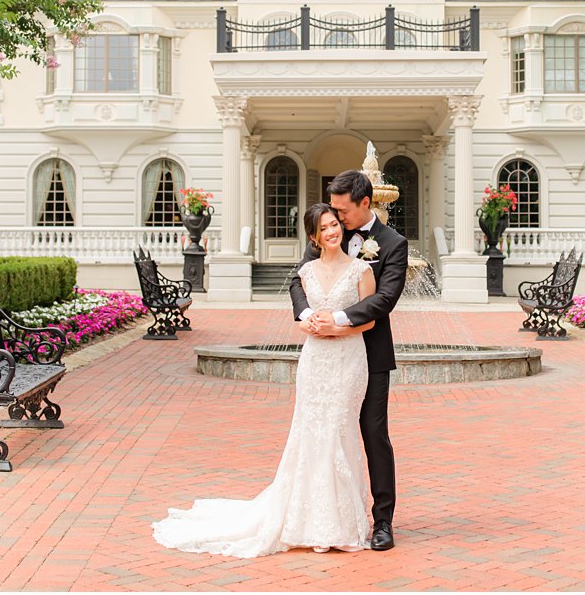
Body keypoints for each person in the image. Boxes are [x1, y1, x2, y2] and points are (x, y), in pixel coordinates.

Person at [152, 203, 378, 556]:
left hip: (349, 360)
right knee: (310, 433)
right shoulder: (305, 272)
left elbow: (370, 321)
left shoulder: (362, 270)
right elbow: (301, 321)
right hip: (315, 360)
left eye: (336, 224)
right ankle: (309, 522)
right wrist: (310, 325)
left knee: (340, 431)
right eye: (325, 227)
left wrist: (337, 326)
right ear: (314, 237)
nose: (333, 231)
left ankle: (342, 524)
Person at [290, 169, 409, 552]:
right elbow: (300, 278)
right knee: (326, 432)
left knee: (374, 435)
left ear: (364, 203)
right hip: (325, 356)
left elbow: (386, 298)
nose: (337, 220)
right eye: (333, 212)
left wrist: (339, 320)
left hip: (368, 356)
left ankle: (383, 521)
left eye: (343, 211)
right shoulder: (330, 231)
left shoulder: (393, 243)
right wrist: (307, 314)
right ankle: (328, 514)